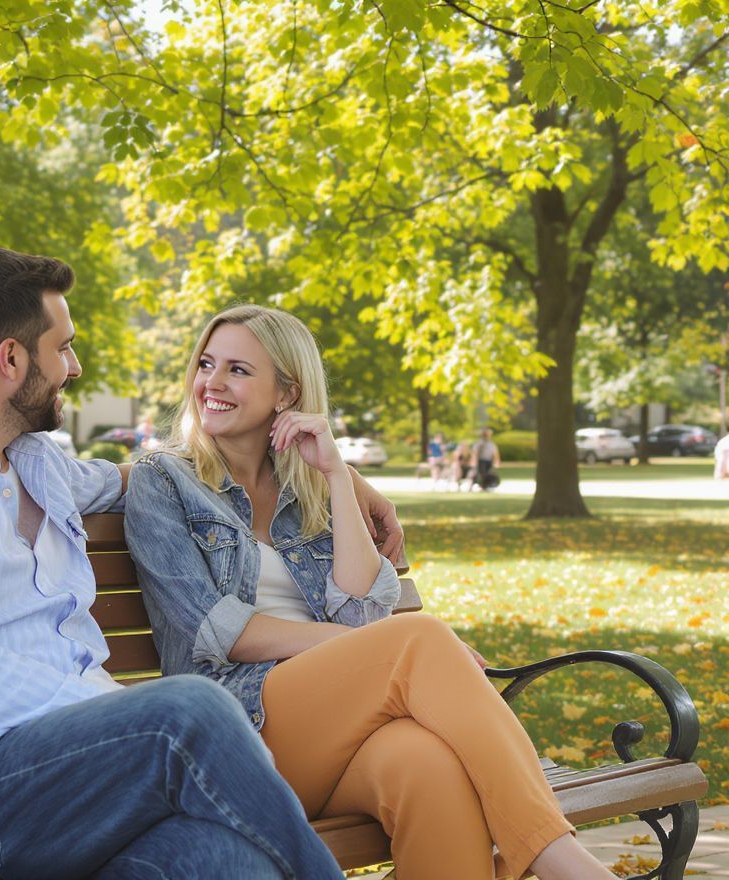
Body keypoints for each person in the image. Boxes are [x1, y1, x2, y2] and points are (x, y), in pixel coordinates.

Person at [0, 248, 411, 879]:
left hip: (78, 780)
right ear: (12, 359)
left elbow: (151, 480)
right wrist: (110, 712)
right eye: (63, 348)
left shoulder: (31, 462)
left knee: (225, 861)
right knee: (190, 712)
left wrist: (336, 475)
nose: (74, 367)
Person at [124, 305, 616, 880]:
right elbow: (216, 629)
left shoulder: (307, 484)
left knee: (427, 768)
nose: (211, 382)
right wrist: (355, 644)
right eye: (207, 364)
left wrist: (336, 475)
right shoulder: (163, 481)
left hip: (326, 734)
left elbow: (360, 608)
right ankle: (561, 859)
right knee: (418, 637)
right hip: (230, 733)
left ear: (288, 393)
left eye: (237, 369)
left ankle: (546, 853)